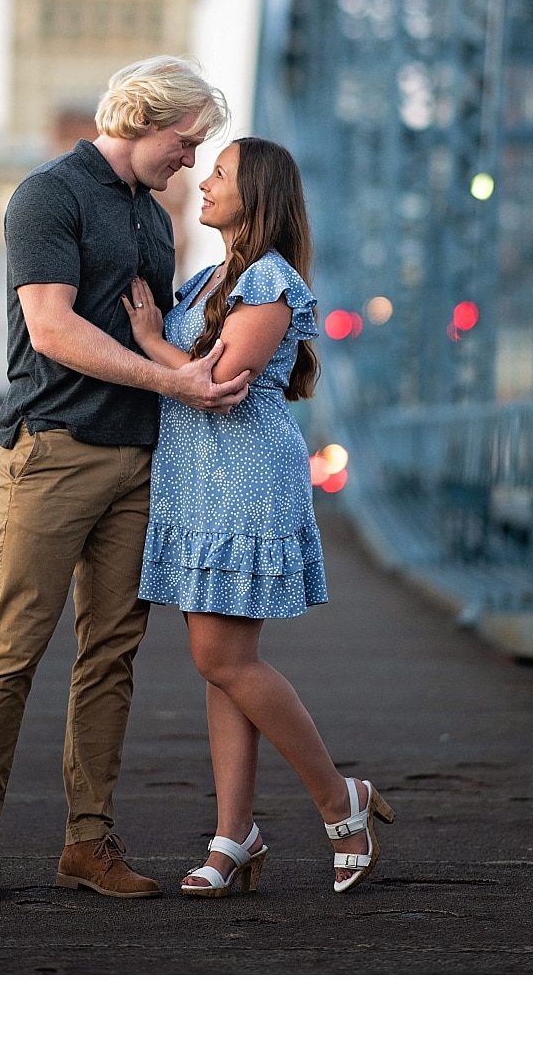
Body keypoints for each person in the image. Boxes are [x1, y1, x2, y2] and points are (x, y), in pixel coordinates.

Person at [0, 57, 246, 904]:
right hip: (55, 447)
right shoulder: (50, 195)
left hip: (138, 460)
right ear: (144, 118)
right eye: (185, 143)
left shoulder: (155, 219)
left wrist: (185, 372)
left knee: (111, 655)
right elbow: (51, 328)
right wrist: (176, 383)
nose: (190, 160)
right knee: (14, 647)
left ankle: (89, 841)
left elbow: (150, 333)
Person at [124, 136, 396, 897]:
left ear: (260, 196)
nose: (203, 182)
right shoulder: (214, 276)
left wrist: (148, 340)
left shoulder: (269, 282)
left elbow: (221, 379)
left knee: (224, 661)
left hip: (242, 477)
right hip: (197, 478)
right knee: (224, 668)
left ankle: (339, 803)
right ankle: (232, 834)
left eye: (219, 174)